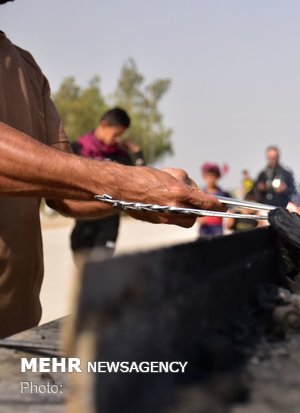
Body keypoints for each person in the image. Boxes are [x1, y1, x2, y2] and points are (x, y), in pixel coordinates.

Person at [0, 18, 225, 338]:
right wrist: (125, 183)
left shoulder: (27, 68)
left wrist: (137, 197)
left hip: (17, 327)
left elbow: (64, 191)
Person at [70, 108, 145, 268]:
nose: (118, 139)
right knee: (83, 271)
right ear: (104, 125)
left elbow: (138, 182)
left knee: (101, 268)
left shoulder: (121, 157)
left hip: (109, 224)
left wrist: (138, 154)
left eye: (121, 135)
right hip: (83, 223)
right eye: (116, 134)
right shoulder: (77, 150)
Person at [198, 163, 231, 238]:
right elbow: (195, 209)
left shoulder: (223, 194)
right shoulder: (200, 194)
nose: (210, 179)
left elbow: (231, 208)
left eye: (213, 176)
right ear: (204, 177)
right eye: (208, 176)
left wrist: (230, 218)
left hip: (218, 228)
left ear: (217, 177)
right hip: (205, 229)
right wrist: (198, 218)